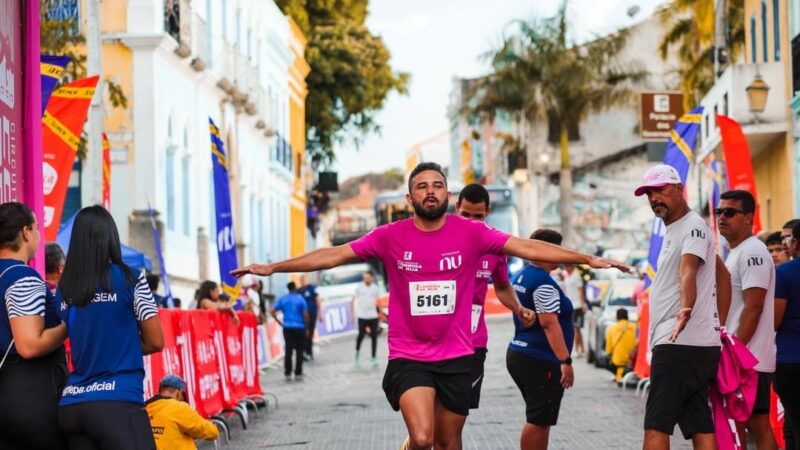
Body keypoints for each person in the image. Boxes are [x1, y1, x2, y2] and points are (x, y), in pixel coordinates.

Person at [233, 162, 627, 450]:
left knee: (447, 441)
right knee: (422, 438)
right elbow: (333, 255)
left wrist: (587, 259)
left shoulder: (472, 233)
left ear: (447, 195)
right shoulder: (390, 236)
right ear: (410, 197)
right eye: (422, 186)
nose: (430, 191)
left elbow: (526, 246)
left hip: (458, 355)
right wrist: (274, 267)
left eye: (437, 185)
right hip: (409, 356)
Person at [634, 164, 731, 450]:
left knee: (656, 424)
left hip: (678, 342)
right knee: (699, 422)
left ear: (679, 189)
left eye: (661, 190)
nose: (654, 198)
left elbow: (687, 271)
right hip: (694, 343)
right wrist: (717, 326)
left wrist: (686, 309)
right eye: (649, 193)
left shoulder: (691, 227)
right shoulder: (682, 228)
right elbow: (722, 276)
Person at [56, 205, 163, 450]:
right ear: (111, 237)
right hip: (117, 402)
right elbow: (156, 341)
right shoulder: (132, 279)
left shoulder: (65, 286)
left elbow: (78, 331)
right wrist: (122, 346)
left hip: (72, 404)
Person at [455, 183, 534, 413]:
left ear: (488, 212)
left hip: (474, 343)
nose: (471, 222)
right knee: (429, 425)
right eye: (465, 215)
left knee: (458, 418)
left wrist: (518, 308)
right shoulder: (441, 239)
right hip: (440, 343)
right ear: (456, 207)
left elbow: (501, 287)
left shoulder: (495, 246)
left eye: (478, 216)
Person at [0, 202, 68, 450]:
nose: (40, 236)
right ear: (25, 232)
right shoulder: (22, 277)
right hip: (29, 396)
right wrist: (68, 324)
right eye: (37, 228)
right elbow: (29, 345)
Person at [717, 190, 778, 450]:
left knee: (750, 424)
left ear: (748, 217)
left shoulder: (753, 252)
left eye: (729, 212)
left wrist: (733, 354)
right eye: (719, 212)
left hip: (747, 359)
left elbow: (753, 308)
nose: (722, 217)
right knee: (749, 423)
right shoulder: (738, 251)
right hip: (745, 356)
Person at [507, 229, 577, 450]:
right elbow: (549, 323)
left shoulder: (523, 275)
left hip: (522, 351)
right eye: (558, 250)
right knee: (538, 418)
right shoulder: (543, 283)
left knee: (541, 417)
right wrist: (565, 361)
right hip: (540, 357)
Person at [775, 221, 800, 450]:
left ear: (796, 243)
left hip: (789, 359)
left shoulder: (783, 273)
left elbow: (775, 319)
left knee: (793, 423)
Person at [146, 374, 219, 450]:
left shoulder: (146, 408)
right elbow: (212, 432)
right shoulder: (179, 408)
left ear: (160, 391)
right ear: (179, 392)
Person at [272, 281, 309, 380]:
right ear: (295, 288)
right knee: (299, 351)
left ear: (288, 289)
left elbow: (272, 310)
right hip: (299, 327)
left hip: (287, 327)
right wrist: (307, 327)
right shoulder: (300, 299)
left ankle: (287, 372)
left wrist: (278, 322)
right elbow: (305, 314)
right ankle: (298, 372)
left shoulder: (283, 299)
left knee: (288, 350)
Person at [352, 270, 381, 367]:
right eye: (364, 277)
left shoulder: (375, 288)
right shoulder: (359, 287)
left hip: (373, 316)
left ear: (371, 278)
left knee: (374, 337)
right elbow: (352, 300)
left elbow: (378, 302)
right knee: (361, 336)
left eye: (367, 277)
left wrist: (379, 314)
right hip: (362, 316)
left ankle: (374, 358)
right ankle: (357, 353)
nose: (366, 279)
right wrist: (352, 314)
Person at [605, 308, 637, 382]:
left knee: (607, 360)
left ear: (617, 317)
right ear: (627, 317)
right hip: (632, 361)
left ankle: (618, 375)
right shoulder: (634, 327)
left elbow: (608, 350)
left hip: (617, 362)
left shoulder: (611, 329)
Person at [562, 264, 586, 356]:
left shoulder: (577, 276)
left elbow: (581, 292)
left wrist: (582, 304)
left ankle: (576, 349)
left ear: (571, 267)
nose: (566, 269)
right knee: (577, 328)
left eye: (567, 267)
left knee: (575, 328)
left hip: (577, 306)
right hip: (570, 305)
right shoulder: (568, 276)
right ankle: (582, 349)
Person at [299, 274, 322, 361]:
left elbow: (318, 299)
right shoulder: (299, 291)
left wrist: (320, 313)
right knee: (304, 334)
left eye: (305, 280)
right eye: (302, 280)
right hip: (303, 316)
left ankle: (309, 351)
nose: (304, 282)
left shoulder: (312, 288)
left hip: (312, 314)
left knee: (310, 333)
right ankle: (305, 351)